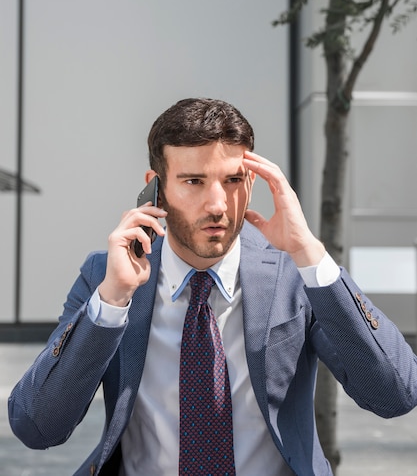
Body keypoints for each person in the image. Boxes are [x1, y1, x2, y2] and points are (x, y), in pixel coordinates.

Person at [8, 97, 417, 476]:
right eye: (193, 181)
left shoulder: (294, 272)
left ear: (252, 183)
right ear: (156, 187)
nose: (218, 204)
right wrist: (112, 301)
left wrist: (310, 254)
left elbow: (395, 394)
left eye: (234, 179)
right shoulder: (107, 276)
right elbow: (37, 427)